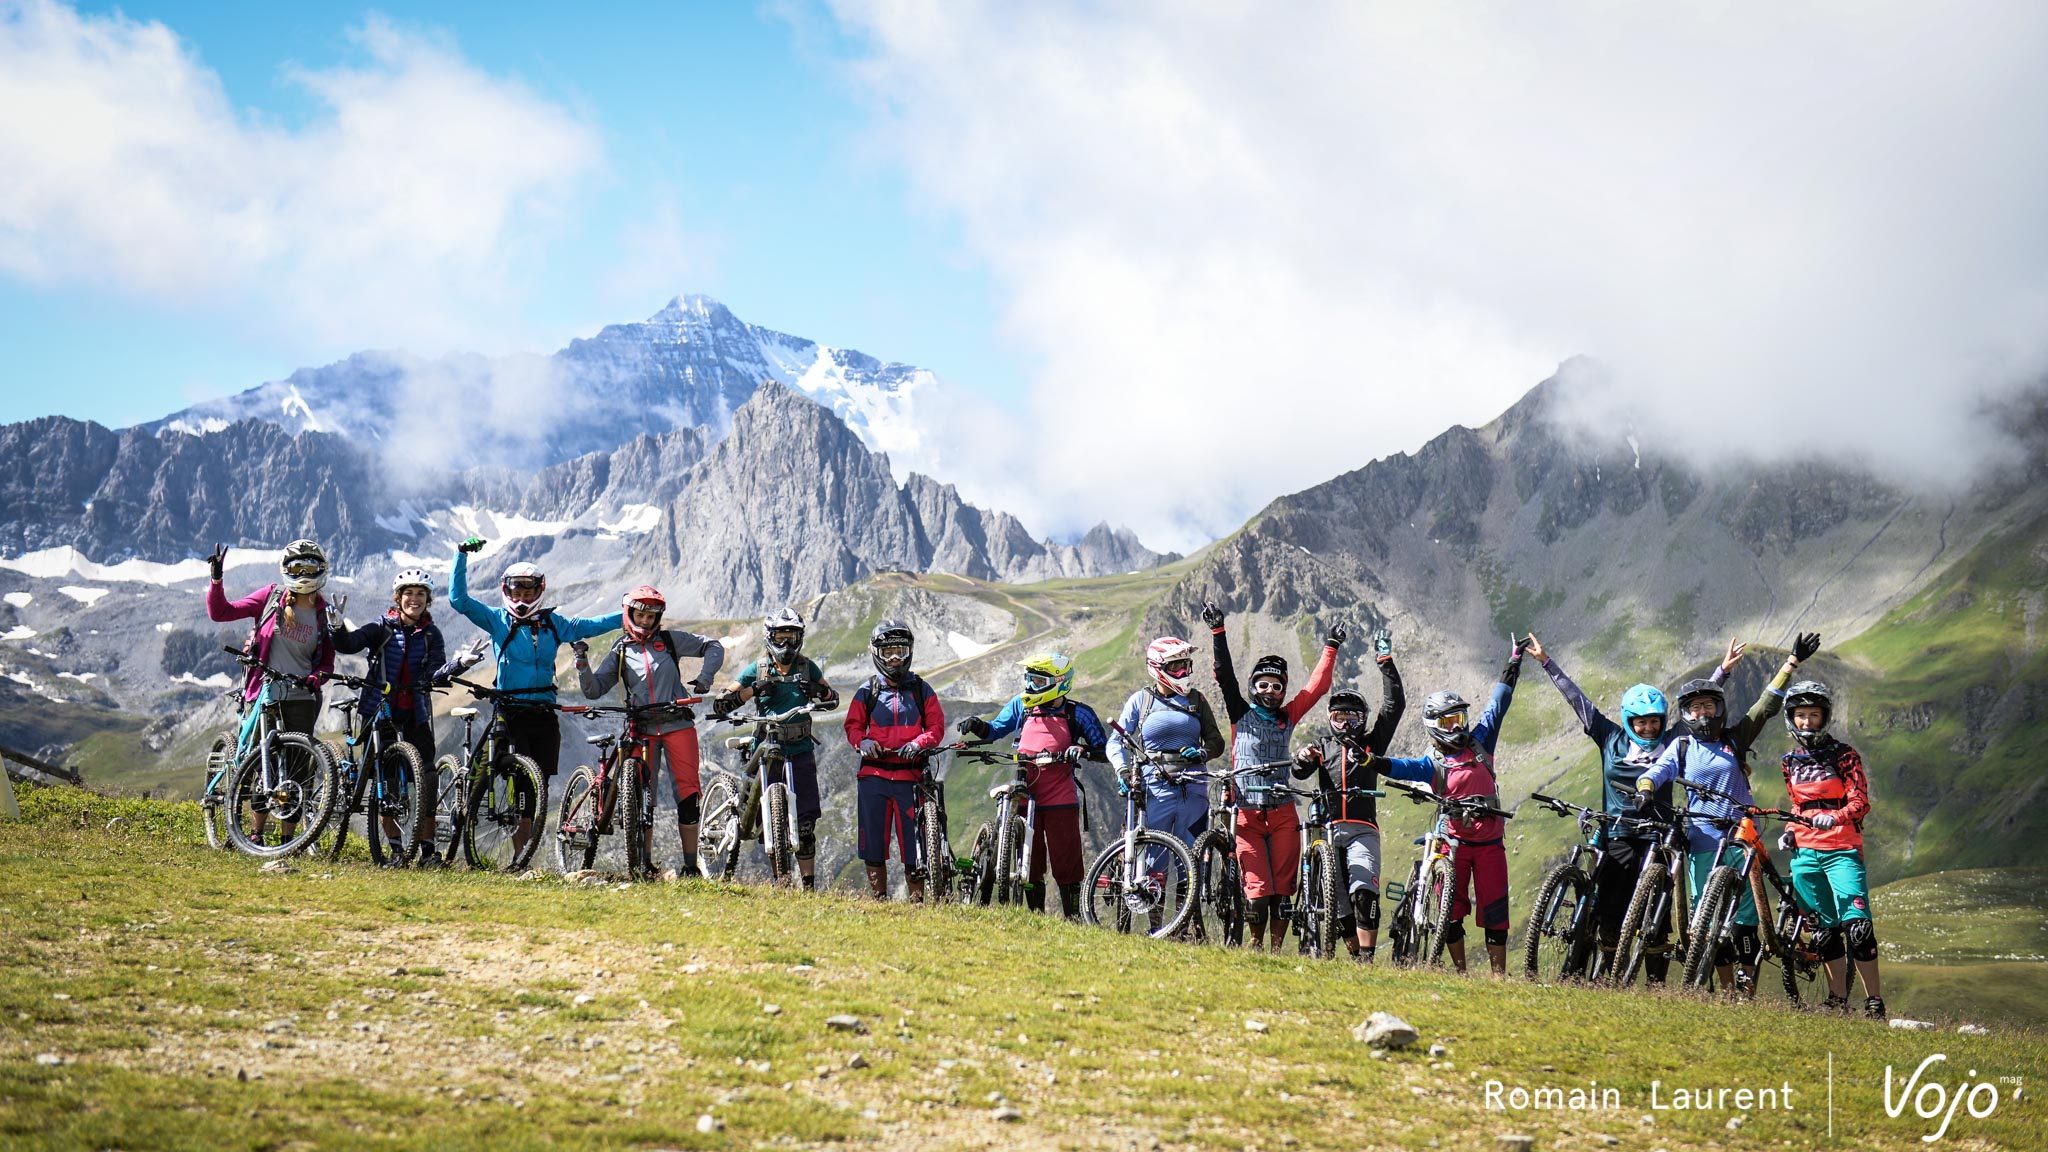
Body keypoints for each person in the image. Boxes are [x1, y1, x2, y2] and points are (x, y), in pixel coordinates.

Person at [1523, 633, 1737, 982]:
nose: (1649, 728)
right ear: (1629, 721)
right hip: (1619, 833)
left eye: (1654, 721)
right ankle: (1606, 974)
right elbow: (1579, 701)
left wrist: (1723, 671)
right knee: (1610, 910)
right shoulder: (1610, 737)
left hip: (1661, 836)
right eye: (1641, 722)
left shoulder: (1672, 739)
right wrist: (1547, 662)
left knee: (1658, 915)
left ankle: (1655, 985)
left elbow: (1697, 709)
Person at [1635, 631, 1821, 997]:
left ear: (1719, 710)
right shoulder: (1682, 745)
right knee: (1707, 918)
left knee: (1744, 920)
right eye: (1694, 708)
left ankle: (1746, 987)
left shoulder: (1734, 739)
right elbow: (1658, 771)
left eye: (1709, 706)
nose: (1702, 713)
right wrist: (1645, 787)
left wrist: (1792, 663)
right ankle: (1725, 987)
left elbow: (1766, 706)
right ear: (1686, 714)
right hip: (1702, 840)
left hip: (1739, 837)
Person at [447, 537, 623, 855]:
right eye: (517, 591)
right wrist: (461, 556)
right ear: (507, 591)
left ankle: (521, 857)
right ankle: (464, 823)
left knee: (533, 787)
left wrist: (629, 613)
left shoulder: (553, 624)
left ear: (539, 591)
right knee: (485, 773)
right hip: (509, 710)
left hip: (543, 712)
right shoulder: (497, 621)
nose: (522, 597)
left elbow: (592, 625)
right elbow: (459, 600)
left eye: (529, 592)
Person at [1372, 639, 1528, 976]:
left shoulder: (1482, 740)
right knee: (1451, 911)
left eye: (1458, 718)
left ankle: (1499, 978)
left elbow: (1499, 703)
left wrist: (1514, 661)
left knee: (1496, 911)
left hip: (1490, 845)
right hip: (1453, 845)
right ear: (1432, 727)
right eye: (1446, 723)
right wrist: (1374, 762)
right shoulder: (1434, 762)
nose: (1455, 726)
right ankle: (1461, 972)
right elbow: (1403, 766)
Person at [1200, 601, 1344, 951]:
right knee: (1258, 890)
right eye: (1263, 684)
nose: (1269, 691)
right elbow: (1223, 674)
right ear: (1253, 686)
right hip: (1246, 812)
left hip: (1282, 813)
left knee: (1283, 889)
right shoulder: (1239, 711)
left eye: (1276, 687)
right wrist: (1218, 631)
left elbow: (1317, 687)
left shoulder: (1288, 716)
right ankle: (1255, 942)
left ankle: (1276, 949)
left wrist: (1331, 647)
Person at [332, 568, 479, 866]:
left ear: (428, 599)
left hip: (416, 712)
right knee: (387, 784)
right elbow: (350, 644)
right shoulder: (381, 627)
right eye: (409, 593)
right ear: (398, 598)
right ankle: (397, 850)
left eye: (421, 594)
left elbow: (435, 674)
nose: (415, 599)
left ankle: (427, 852)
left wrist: (459, 664)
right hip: (380, 709)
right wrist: (336, 628)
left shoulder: (431, 635)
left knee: (426, 777)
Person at [575, 585, 724, 878]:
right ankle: (644, 864)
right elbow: (593, 690)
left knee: (688, 793)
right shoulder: (620, 650)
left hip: (677, 724)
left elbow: (714, 647)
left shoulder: (669, 641)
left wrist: (705, 679)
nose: (644, 622)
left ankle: (690, 867)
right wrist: (582, 663)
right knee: (644, 797)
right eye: (639, 615)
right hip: (640, 728)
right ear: (630, 614)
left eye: (650, 616)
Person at [956, 652, 1108, 919]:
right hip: (1025, 795)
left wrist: (1080, 750)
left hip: (1061, 798)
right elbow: (994, 730)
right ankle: (1034, 916)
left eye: (1037, 681)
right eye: (1028, 680)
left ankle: (1073, 919)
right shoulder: (1022, 706)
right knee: (1031, 860)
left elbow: (1104, 750)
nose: (1030, 687)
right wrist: (977, 726)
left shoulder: (1078, 714)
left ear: (1058, 682)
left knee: (1067, 862)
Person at [1289, 628, 1408, 961]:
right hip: (1327, 831)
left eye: (1351, 717)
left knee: (1363, 893)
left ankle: (1367, 961)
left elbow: (1394, 705)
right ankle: (1355, 956)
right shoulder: (1322, 748)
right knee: (1338, 902)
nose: (1344, 724)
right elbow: (1298, 773)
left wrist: (1385, 660)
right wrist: (1302, 758)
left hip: (1362, 829)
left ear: (1362, 720)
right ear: (1329, 720)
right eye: (1337, 717)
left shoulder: (1372, 744)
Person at [206, 540, 336, 840]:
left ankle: (288, 839)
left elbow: (328, 659)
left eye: (310, 567)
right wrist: (216, 579)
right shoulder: (271, 597)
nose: (304, 573)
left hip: (302, 695)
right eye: (296, 567)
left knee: (297, 769)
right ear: (286, 570)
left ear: (321, 570)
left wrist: (317, 678)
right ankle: (255, 833)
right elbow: (221, 612)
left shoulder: (323, 612)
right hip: (263, 691)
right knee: (257, 761)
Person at [1776, 679, 1885, 1019]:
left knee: (1858, 926)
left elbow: (1861, 801)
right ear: (1791, 718)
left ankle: (1875, 1002)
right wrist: (1791, 830)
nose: (1806, 722)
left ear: (1825, 717)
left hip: (1842, 848)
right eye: (1800, 715)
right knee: (1823, 931)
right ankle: (1837, 1000)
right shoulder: (1789, 761)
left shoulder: (1844, 755)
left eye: (1813, 715)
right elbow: (1797, 805)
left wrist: (1835, 817)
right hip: (1805, 855)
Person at [713, 607, 839, 889]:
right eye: (781, 638)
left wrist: (818, 692)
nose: (787, 645)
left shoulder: (808, 667)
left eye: (792, 638)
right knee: (770, 818)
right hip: (768, 747)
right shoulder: (756, 669)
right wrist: (754, 689)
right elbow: (722, 702)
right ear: (769, 638)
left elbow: (833, 698)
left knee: (805, 824)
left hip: (801, 748)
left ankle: (807, 886)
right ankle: (781, 881)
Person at [843, 620, 946, 901]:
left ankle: (916, 903)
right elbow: (852, 726)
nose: (895, 659)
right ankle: (880, 899)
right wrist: (862, 742)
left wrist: (918, 743)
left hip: (911, 779)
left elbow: (936, 728)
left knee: (915, 847)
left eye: (900, 651)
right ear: (877, 654)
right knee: (873, 843)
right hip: (873, 777)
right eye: (888, 652)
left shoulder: (922, 690)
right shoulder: (868, 691)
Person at [1105, 636, 1227, 858]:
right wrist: (1122, 771)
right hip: (1154, 787)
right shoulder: (1140, 700)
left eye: (1186, 665)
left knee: (1192, 861)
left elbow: (1216, 741)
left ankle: (1187, 894)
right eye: (1176, 666)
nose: (1184, 672)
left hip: (1194, 788)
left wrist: (1202, 753)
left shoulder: (1197, 700)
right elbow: (1115, 741)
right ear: (1157, 668)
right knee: (1151, 865)